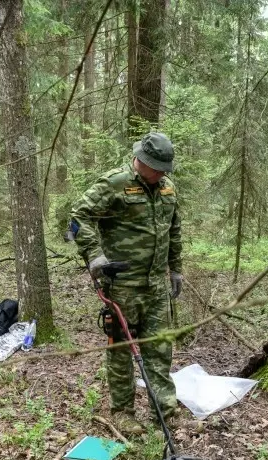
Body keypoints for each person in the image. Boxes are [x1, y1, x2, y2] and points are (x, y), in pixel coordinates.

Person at [70, 132, 183, 436]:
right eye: (157, 167)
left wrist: (176, 269)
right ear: (142, 160)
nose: (161, 174)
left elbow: (174, 229)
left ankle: (165, 410)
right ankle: (123, 412)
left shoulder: (167, 188)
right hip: (122, 285)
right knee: (122, 349)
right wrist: (95, 256)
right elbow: (78, 216)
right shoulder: (115, 183)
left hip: (155, 286)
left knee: (159, 349)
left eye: (164, 169)